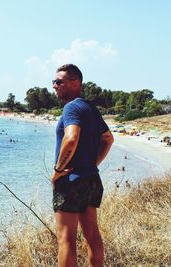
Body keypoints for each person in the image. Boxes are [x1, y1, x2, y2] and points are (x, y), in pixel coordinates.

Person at [51, 64, 114, 267]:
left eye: (59, 81)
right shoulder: (89, 108)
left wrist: (58, 171)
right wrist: (92, 163)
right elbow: (108, 139)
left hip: (71, 181)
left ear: (75, 83)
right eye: (54, 82)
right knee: (92, 235)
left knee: (66, 239)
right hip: (91, 179)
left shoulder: (71, 107)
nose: (54, 86)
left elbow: (71, 139)